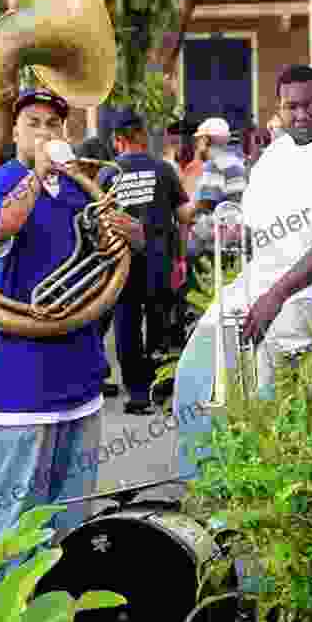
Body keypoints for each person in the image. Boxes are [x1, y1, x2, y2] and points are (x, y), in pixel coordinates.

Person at [172, 64, 312, 480]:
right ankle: (208, 488)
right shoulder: (273, 158)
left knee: (266, 364)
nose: (301, 114)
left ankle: (266, 481)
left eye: (310, 105)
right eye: (292, 107)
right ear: (280, 109)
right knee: (196, 369)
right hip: (260, 285)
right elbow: (256, 231)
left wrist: (276, 297)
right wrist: (236, 234)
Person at [0, 88, 146, 551]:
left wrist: (130, 235)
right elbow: (0, 229)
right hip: (18, 385)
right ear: (13, 132)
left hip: (80, 379)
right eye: (34, 123)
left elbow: (106, 261)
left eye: (54, 124)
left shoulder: (77, 190)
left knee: (73, 530)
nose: (46, 132)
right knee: (14, 531)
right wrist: (36, 176)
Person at [98, 112, 193, 414]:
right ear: (142, 136)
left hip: (121, 262)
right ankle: (159, 388)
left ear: (118, 140)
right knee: (158, 322)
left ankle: (136, 394)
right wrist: (180, 257)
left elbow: (97, 221)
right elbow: (183, 218)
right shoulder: (164, 170)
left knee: (125, 324)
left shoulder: (107, 174)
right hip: (158, 260)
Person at [187, 117, 247, 260]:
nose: (196, 145)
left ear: (206, 140)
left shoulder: (214, 164)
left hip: (215, 237)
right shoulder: (236, 162)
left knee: (184, 253)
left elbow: (205, 203)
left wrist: (184, 214)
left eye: (199, 140)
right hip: (234, 233)